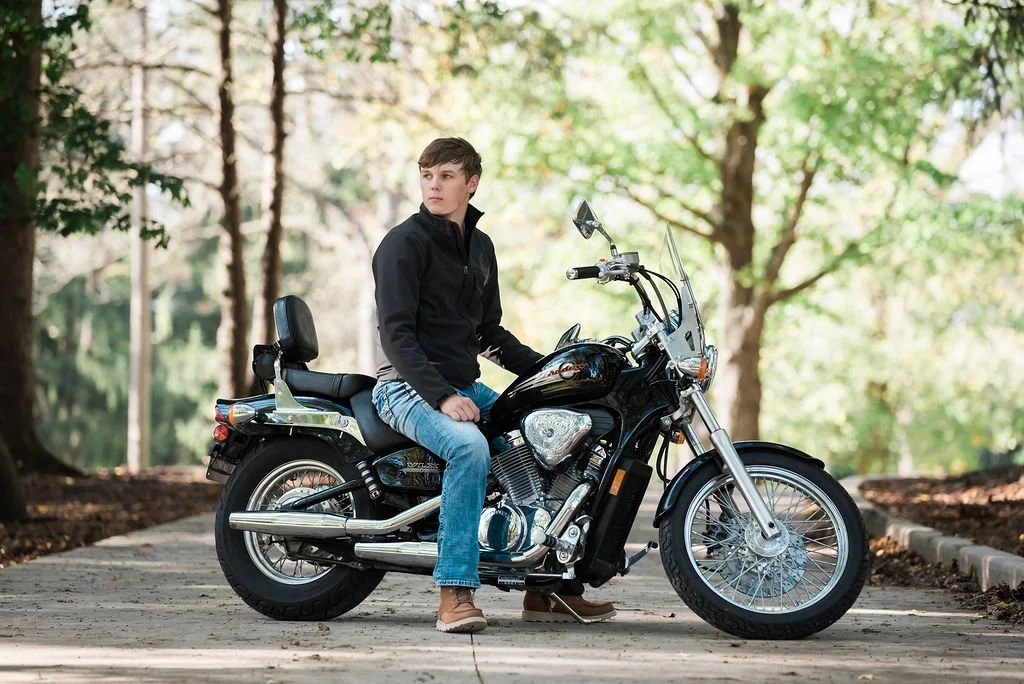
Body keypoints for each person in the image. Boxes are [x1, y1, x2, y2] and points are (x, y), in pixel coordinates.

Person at [371, 137, 616, 633]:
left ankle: (547, 591)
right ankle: (454, 592)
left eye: (445, 176)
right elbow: (395, 336)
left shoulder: (480, 247)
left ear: (472, 183)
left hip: (462, 383)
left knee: (554, 437)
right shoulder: (404, 243)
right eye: (427, 175)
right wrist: (443, 396)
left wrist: (552, 373)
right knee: (469, 450)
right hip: (406, 386)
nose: (433, 185)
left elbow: (489, 334)